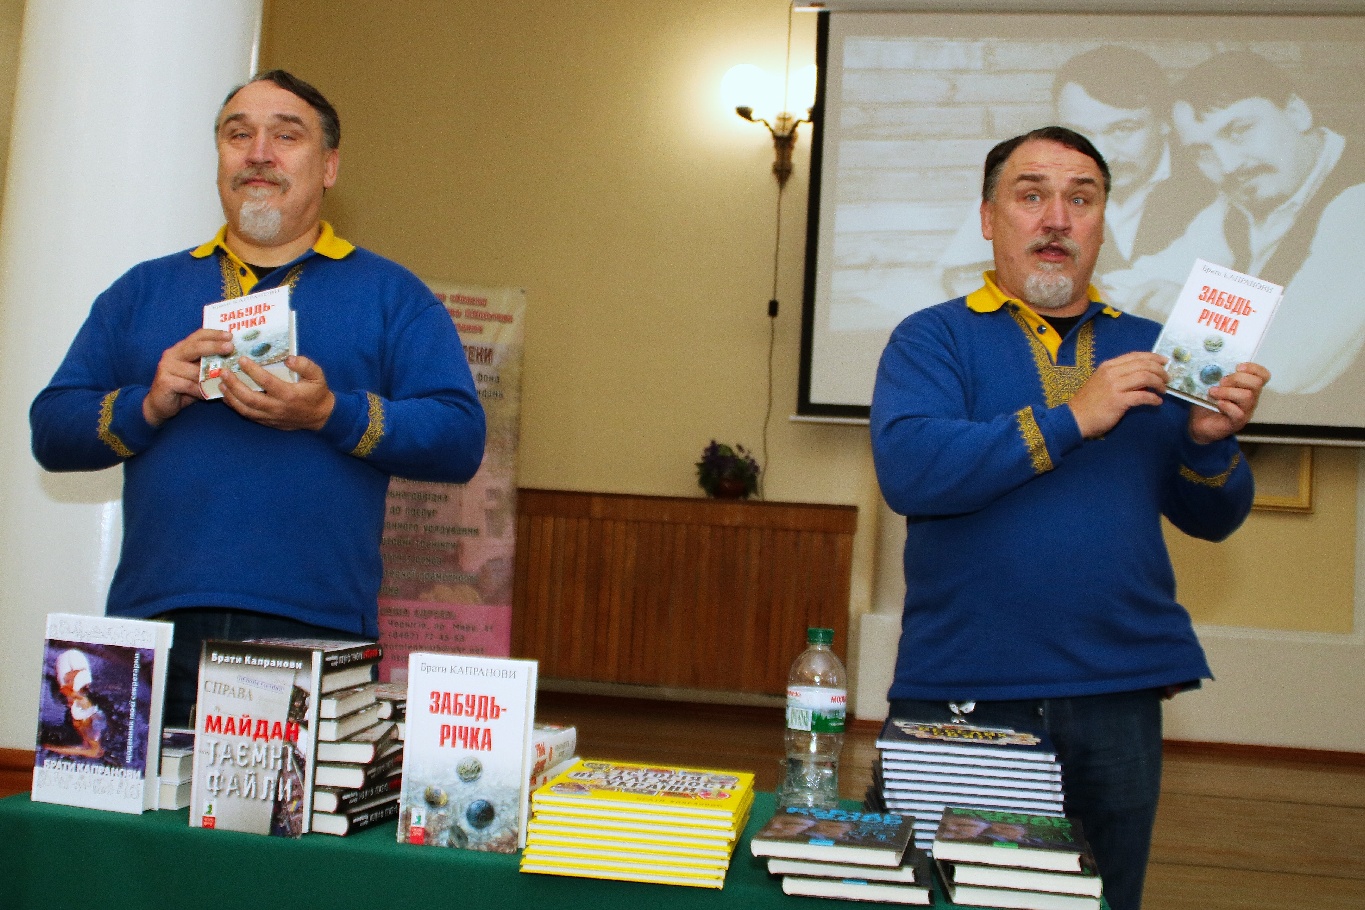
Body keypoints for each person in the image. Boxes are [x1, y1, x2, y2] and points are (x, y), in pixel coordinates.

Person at [870, 126, 1269, 910]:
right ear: (988, 218)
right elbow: (911, 470)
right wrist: (1073, 417)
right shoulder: (931, 337)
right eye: (1031, 195)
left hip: (1119, 690)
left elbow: (1214, 518)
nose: (1056, 218)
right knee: (938, 901)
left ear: (1101, 224)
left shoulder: (1158, 350)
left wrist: (1207, 443)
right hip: (965, 689)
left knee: (1101, 901)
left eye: (1080, 200)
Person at [30, 71, 486, 726]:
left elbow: (460, 438)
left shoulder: (393, 295)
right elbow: (50, 431)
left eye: (286, 136)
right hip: (148, 626)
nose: (259, 153)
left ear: (329, 167)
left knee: (290, 806)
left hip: (316, 630)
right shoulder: (141, 290)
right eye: (238, 135)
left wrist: (330, 413)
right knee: (120, 796)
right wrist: (148, 404)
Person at [1111, 51, 1365, 403]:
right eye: (1202, 151)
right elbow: (1136, 282)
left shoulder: (1357, 203)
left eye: (1239, 131)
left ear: (1297, 111)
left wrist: (1187, 307)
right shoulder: (1240, 204)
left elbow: (1286, 366)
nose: (1228, 165)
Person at [938, 46, 1212, 302]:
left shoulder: (1216, 177)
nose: (1101, 153)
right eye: (1080, 133)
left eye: (1122, 129)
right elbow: (961, 277)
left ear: (1165, 122)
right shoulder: (1024, 182)